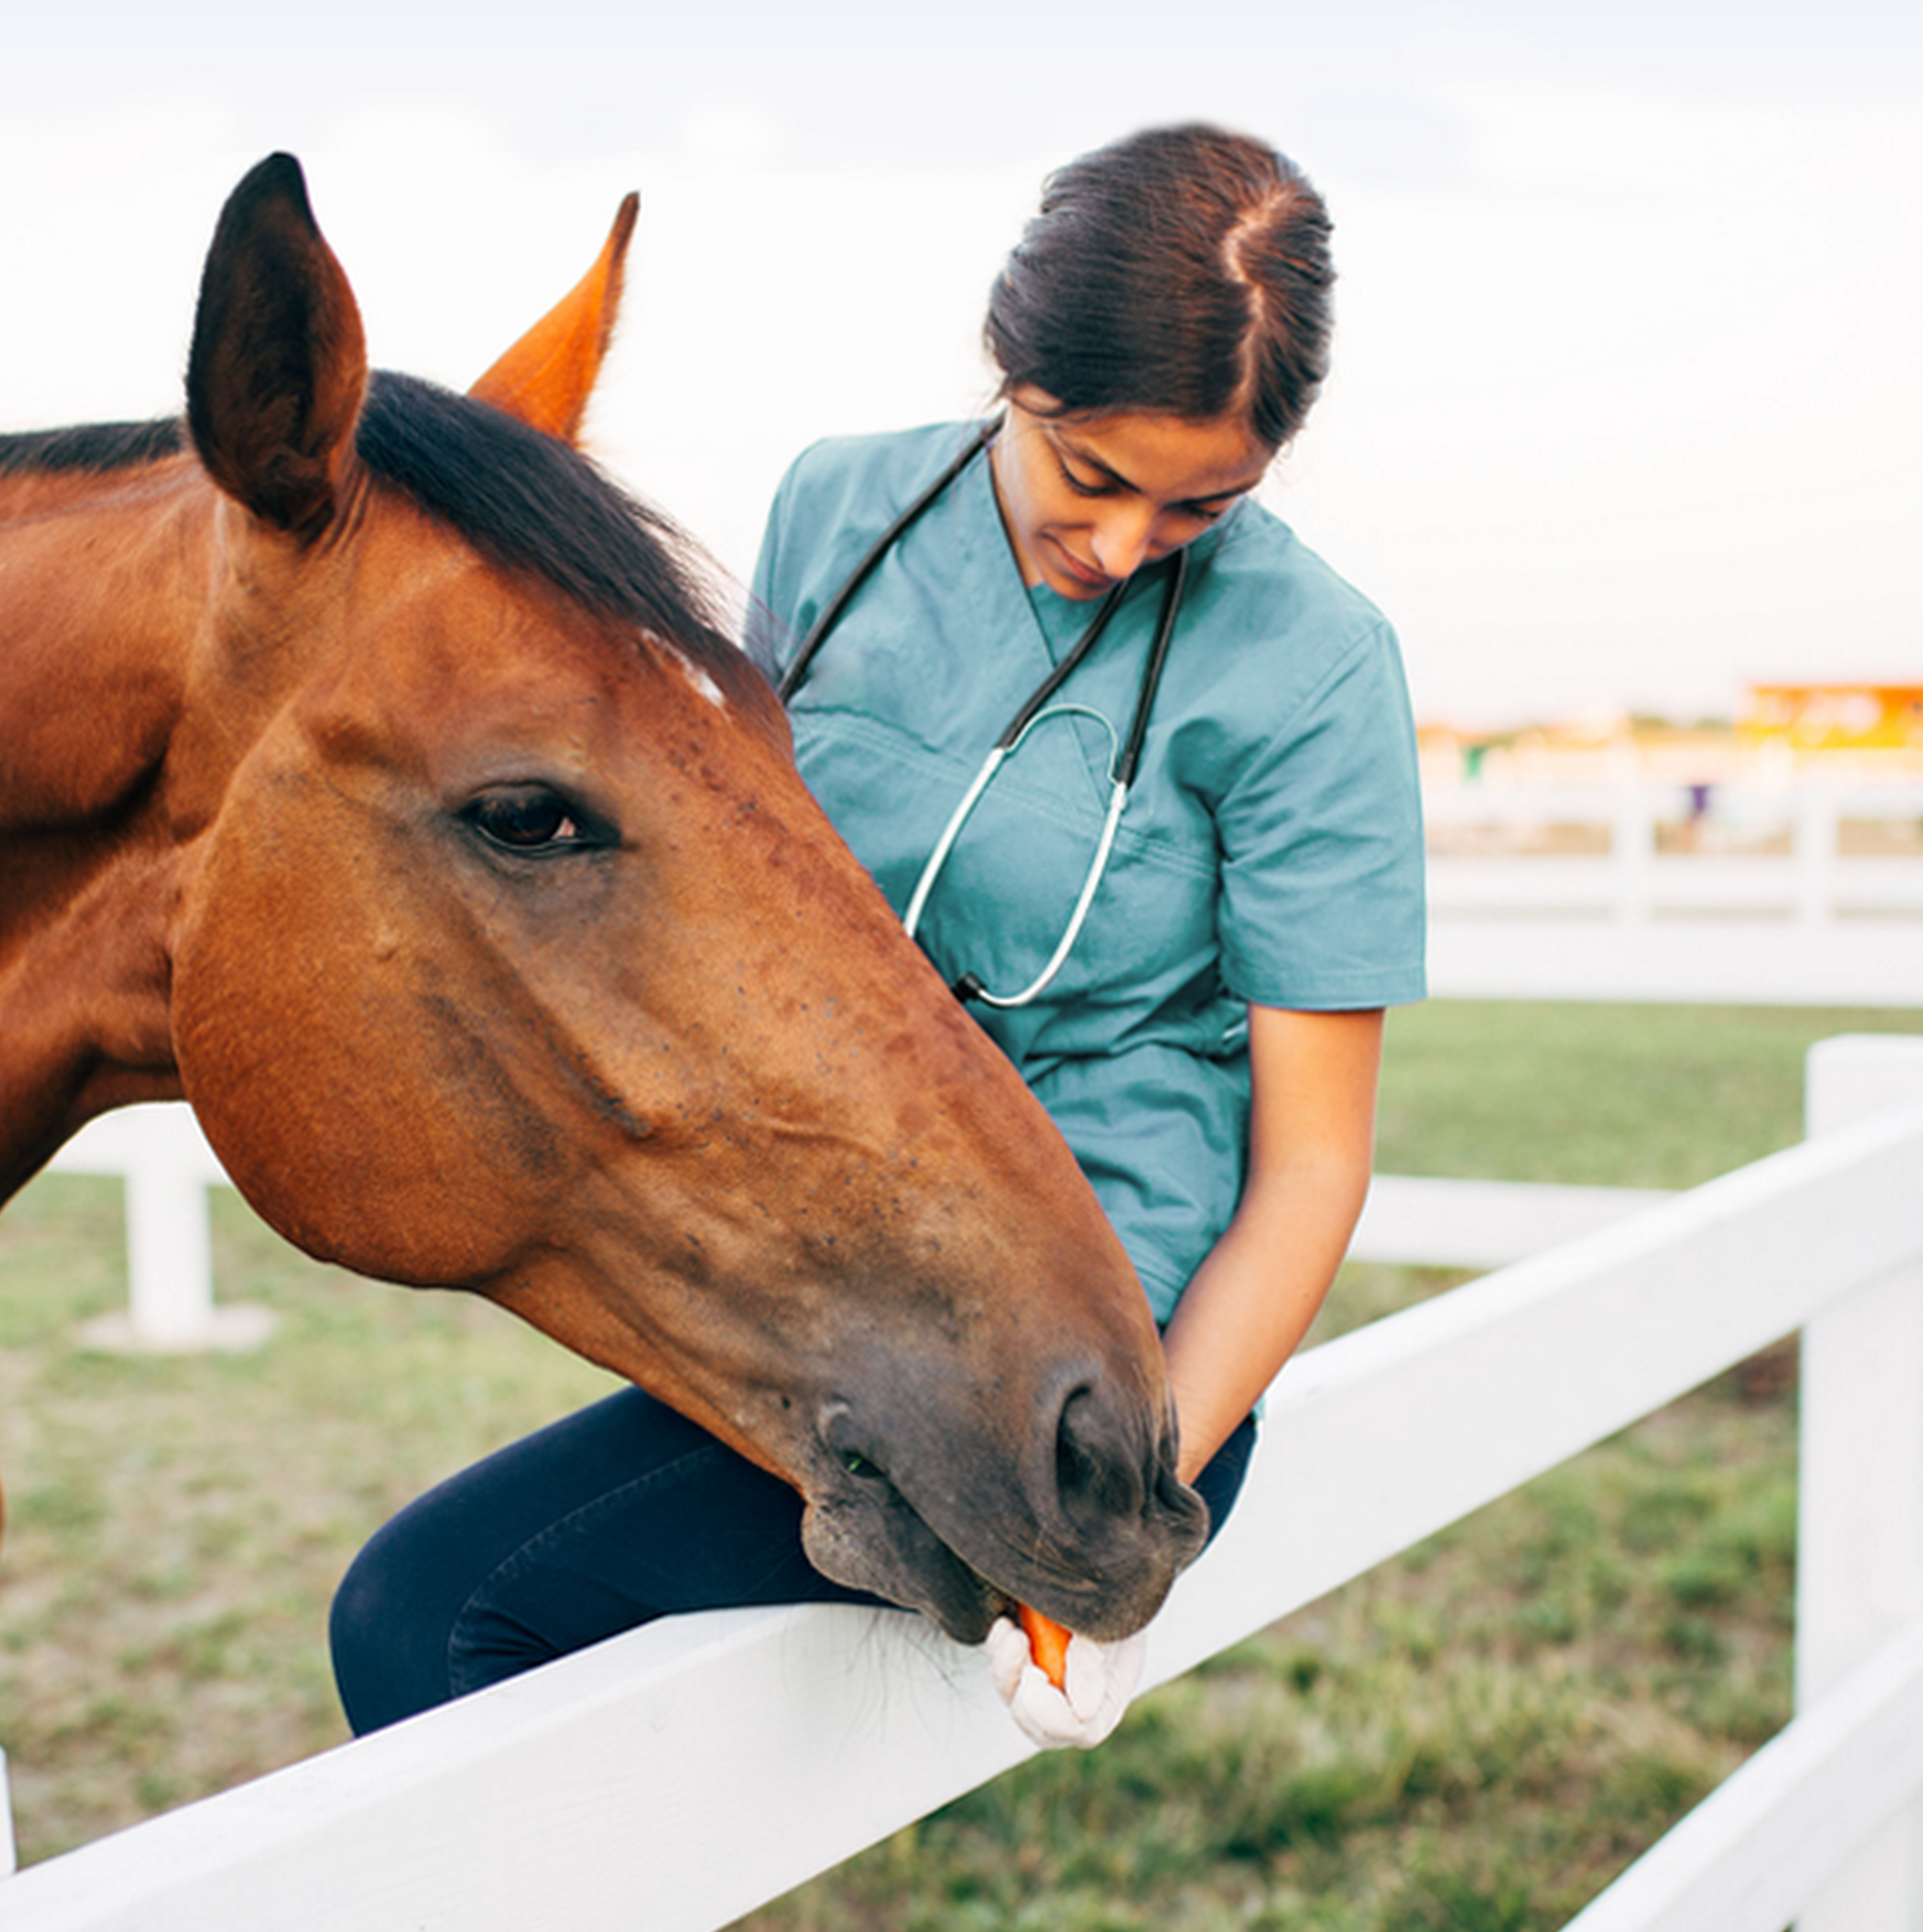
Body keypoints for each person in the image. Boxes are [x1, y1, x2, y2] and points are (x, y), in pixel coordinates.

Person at [330, 123, 1424, 1751]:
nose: (1124, 549)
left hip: (1097, 1346)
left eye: (1200, 508)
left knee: (437, 1610)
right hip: (846, 1281)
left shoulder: (1318, 664)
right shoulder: (836, 506)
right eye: (1092, 474)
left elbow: (1311, 1172)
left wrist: (1117, 1502)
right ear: (1009, 369)